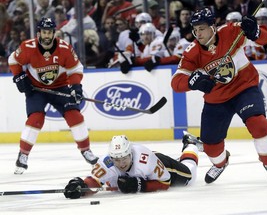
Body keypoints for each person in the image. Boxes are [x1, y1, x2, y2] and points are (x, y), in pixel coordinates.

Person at [171, 8, 267, 185]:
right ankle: (221, 162)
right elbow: (176, 82)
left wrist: (255, 31)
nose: (197, 33)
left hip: (244, 88)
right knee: (211, 147)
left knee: (259, 124)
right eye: (195, 29)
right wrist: (192, 82)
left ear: (213, 27)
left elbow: (266, 39)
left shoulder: (232, 31)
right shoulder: (192, 52)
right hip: (216, 100)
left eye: (202, 28)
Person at [8, 17, 98, 175]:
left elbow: (75, 68)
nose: (47, 35)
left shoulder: (64, 48)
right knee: (35, 119)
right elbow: (13, 60)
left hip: (61, 87)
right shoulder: (28, 47)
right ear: (39, 33)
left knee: (75, 116)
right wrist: (19, 77)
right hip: (36, 89)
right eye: (44, 32)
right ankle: (23, 155)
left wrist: (76, 87)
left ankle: (86, 151)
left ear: (54, 32)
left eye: (50, 32)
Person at [63, 133, 203, 199]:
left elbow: (165, 183)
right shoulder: (107, 162)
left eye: (124, 158)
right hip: (150, 170)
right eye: (116, 159)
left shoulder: (145, 159)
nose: (121, 163)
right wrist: (80, 186)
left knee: (189, 176)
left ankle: (191, 144)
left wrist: (141, 186)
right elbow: (95, 181)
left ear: (130, 154)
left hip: (163, 165)